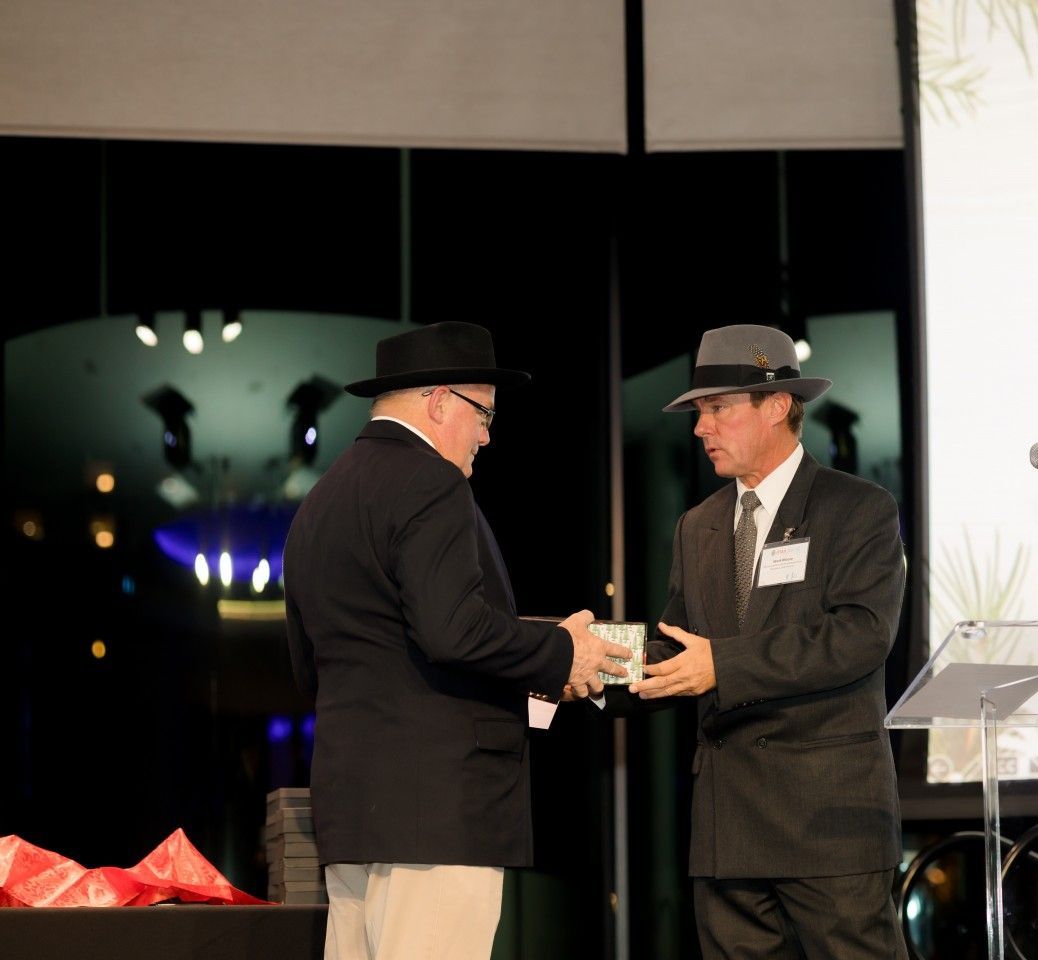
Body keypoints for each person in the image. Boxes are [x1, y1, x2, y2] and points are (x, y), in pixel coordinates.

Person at [283, 321, 631, 960]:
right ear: (438, 401)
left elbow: (314, 668)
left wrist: (533, 641)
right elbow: (451, 632)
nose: (487, 436)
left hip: (354, 815)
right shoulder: (431, 481)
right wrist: (562, 654)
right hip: (441, 817)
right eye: (484, 415)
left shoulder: (319, 502)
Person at [628, 323, 908, 959]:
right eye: (699, 412)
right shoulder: (696, 527)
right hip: (729, 832)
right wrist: (587, 666)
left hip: (829, 824)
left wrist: (721, 665)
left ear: (778, 406)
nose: (701, 429)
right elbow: (678, 650)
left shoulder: (857, 508)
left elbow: (862, 635)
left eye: (717, 409)